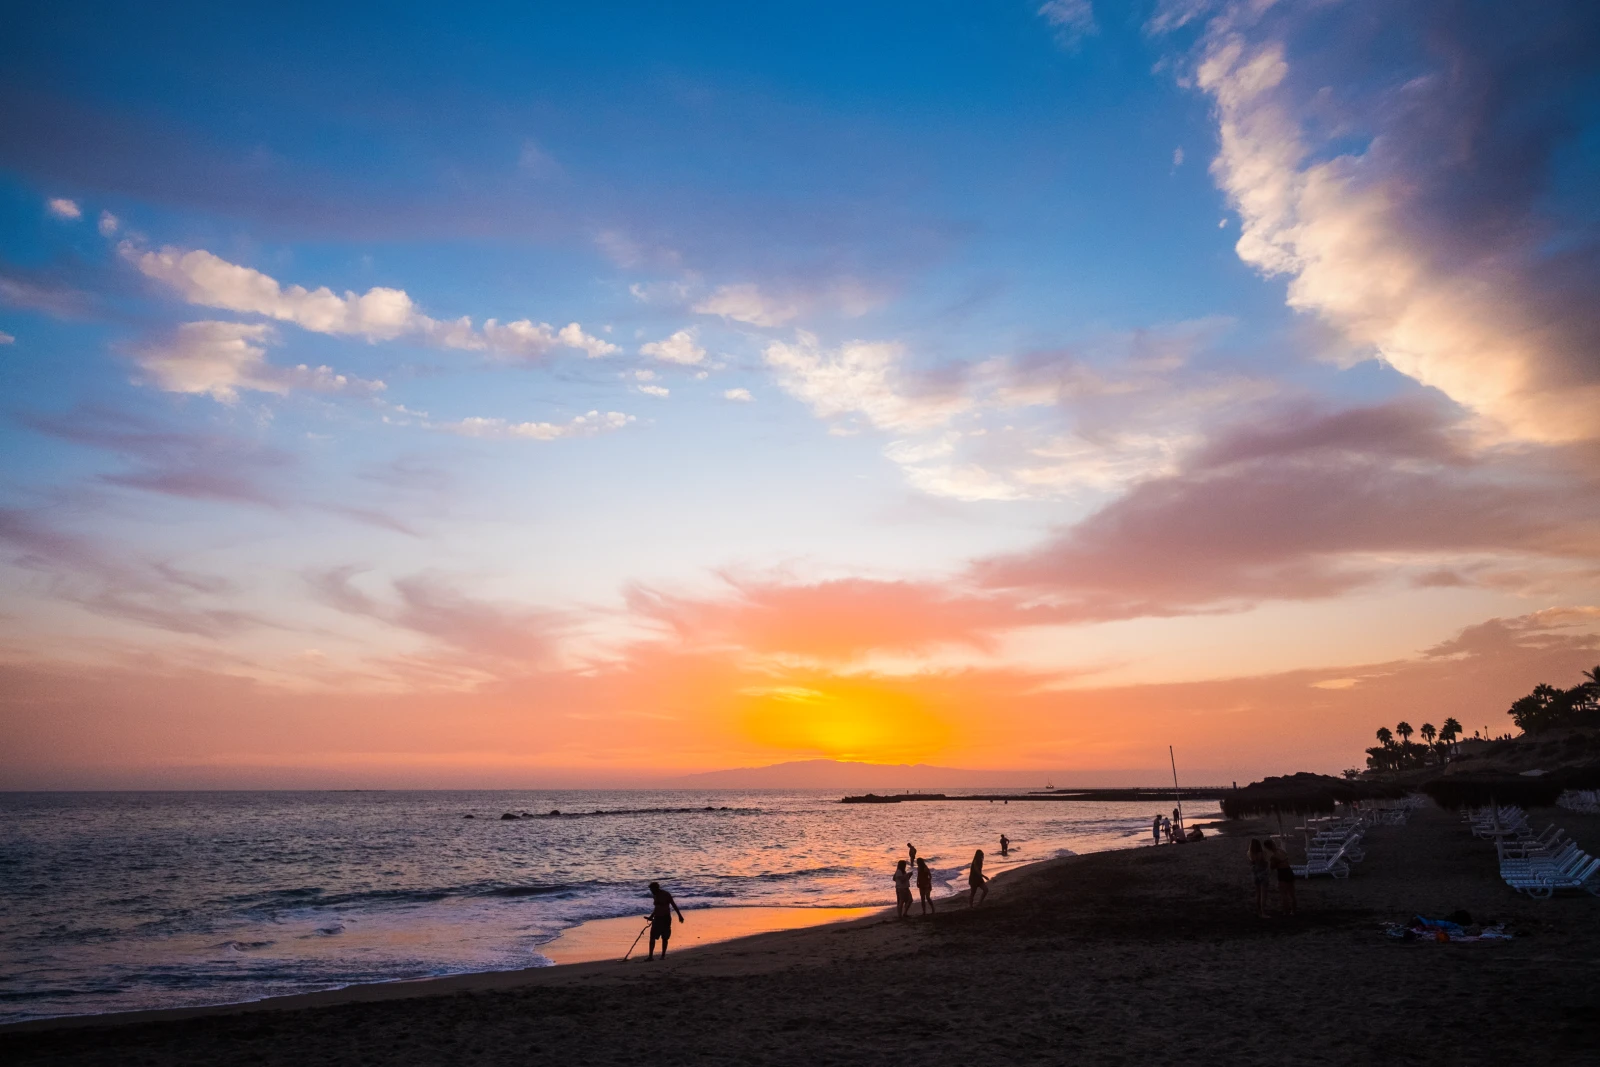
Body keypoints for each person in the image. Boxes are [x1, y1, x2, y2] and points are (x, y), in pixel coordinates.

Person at [645, 881, 684, 960]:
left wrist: (680, 916)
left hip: (666, 918)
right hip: (657, 918)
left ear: (656, 888)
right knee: (652, 937)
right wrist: (651, 917)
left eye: (652, 890)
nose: (651, 892)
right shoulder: (655, 896)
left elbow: (673, 905)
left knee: (665, 937)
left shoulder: (666, 894)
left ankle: (663, 956)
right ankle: (650, 956)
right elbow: (657, 908)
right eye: (651, 890)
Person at [1263, 839, 1296, 916]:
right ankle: (1293, 911)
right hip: (1289, 871)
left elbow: (1272, 867)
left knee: (1283, 894)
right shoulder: (1281, 851)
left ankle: (1286, 912)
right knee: (1292, 894)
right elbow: (1286, 858)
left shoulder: (1273, 856)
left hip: (1282, 873)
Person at [1247, 839, 1269, 918]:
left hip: (1255, 874)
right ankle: (1263, 912)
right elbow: (1265, 862)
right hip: (1262, 874)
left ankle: (1259, 911)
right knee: (1263, 894)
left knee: (1258, 894)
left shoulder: (1250, 853)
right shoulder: (1262, 853)